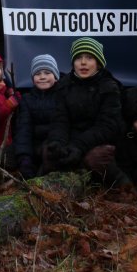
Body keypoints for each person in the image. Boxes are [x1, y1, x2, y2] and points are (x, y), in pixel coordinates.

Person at [43, 38, 127, 186]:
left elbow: (107, 127)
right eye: (78, 58)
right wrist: (58, 142)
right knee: (50, 152)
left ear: (98, 63)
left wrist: (78, 146)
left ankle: (123, 186)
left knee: (94, 158)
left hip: (99, 142)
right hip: (72, 140)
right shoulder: (63, 85)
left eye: (89, 57)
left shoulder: (109, 87)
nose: (83, 63)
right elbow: (59, 119)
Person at [14, 54, 61, 179]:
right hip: (35, 147)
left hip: (56, 146)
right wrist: (24, 157)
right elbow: (24, 129)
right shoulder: (27, 99)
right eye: (38, 73)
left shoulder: (62, 96)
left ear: (56, 76)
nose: (42, 77)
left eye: (47, 72)